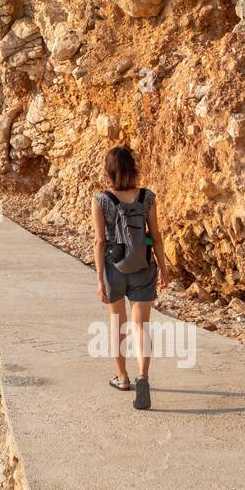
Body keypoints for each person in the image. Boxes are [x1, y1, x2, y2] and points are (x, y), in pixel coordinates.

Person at [92, 145, 168, 410]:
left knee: (118, 325)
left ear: (109, 170)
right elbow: (156, 236)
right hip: (144, 266)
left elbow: (100, 241)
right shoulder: (147, 197)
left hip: (114, 268)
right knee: (141, 326)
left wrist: (100, 277)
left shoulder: (101, 199)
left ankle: (122, 378)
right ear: (133, 167)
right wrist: (164, 268)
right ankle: (143, 376)